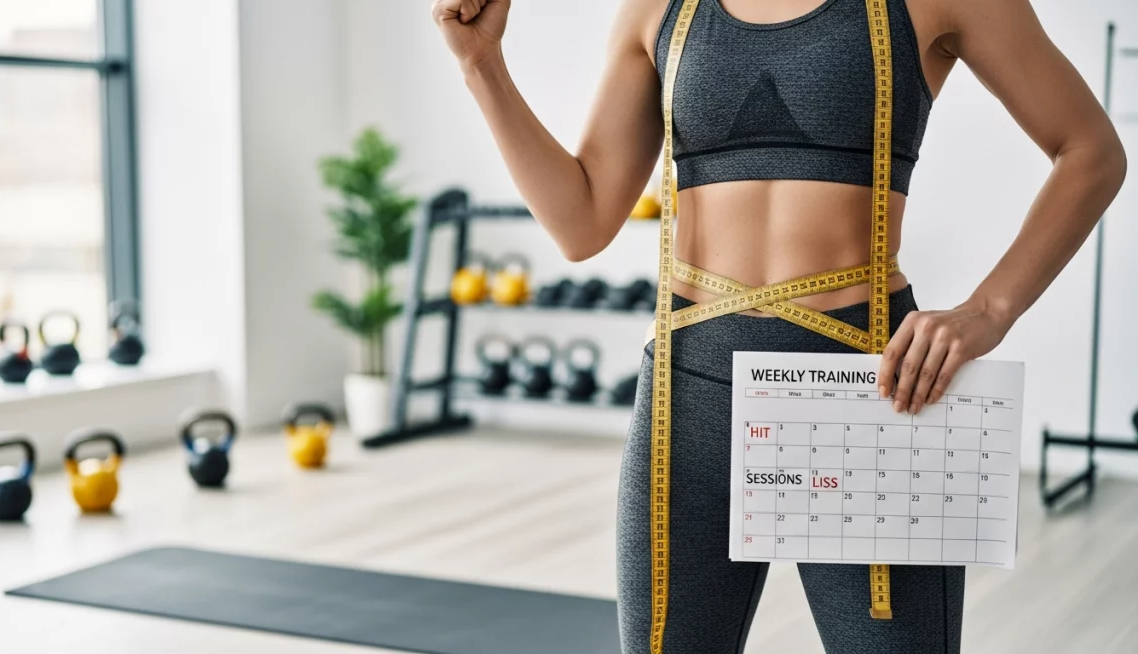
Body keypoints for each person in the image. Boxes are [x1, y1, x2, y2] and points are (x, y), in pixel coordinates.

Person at [432, 0, 1126, 652]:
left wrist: (989, 310)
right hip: (689, 394)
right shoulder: (662, 9)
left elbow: (1091, 151)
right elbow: (581, 223)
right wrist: (480, 66)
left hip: (872, 389)